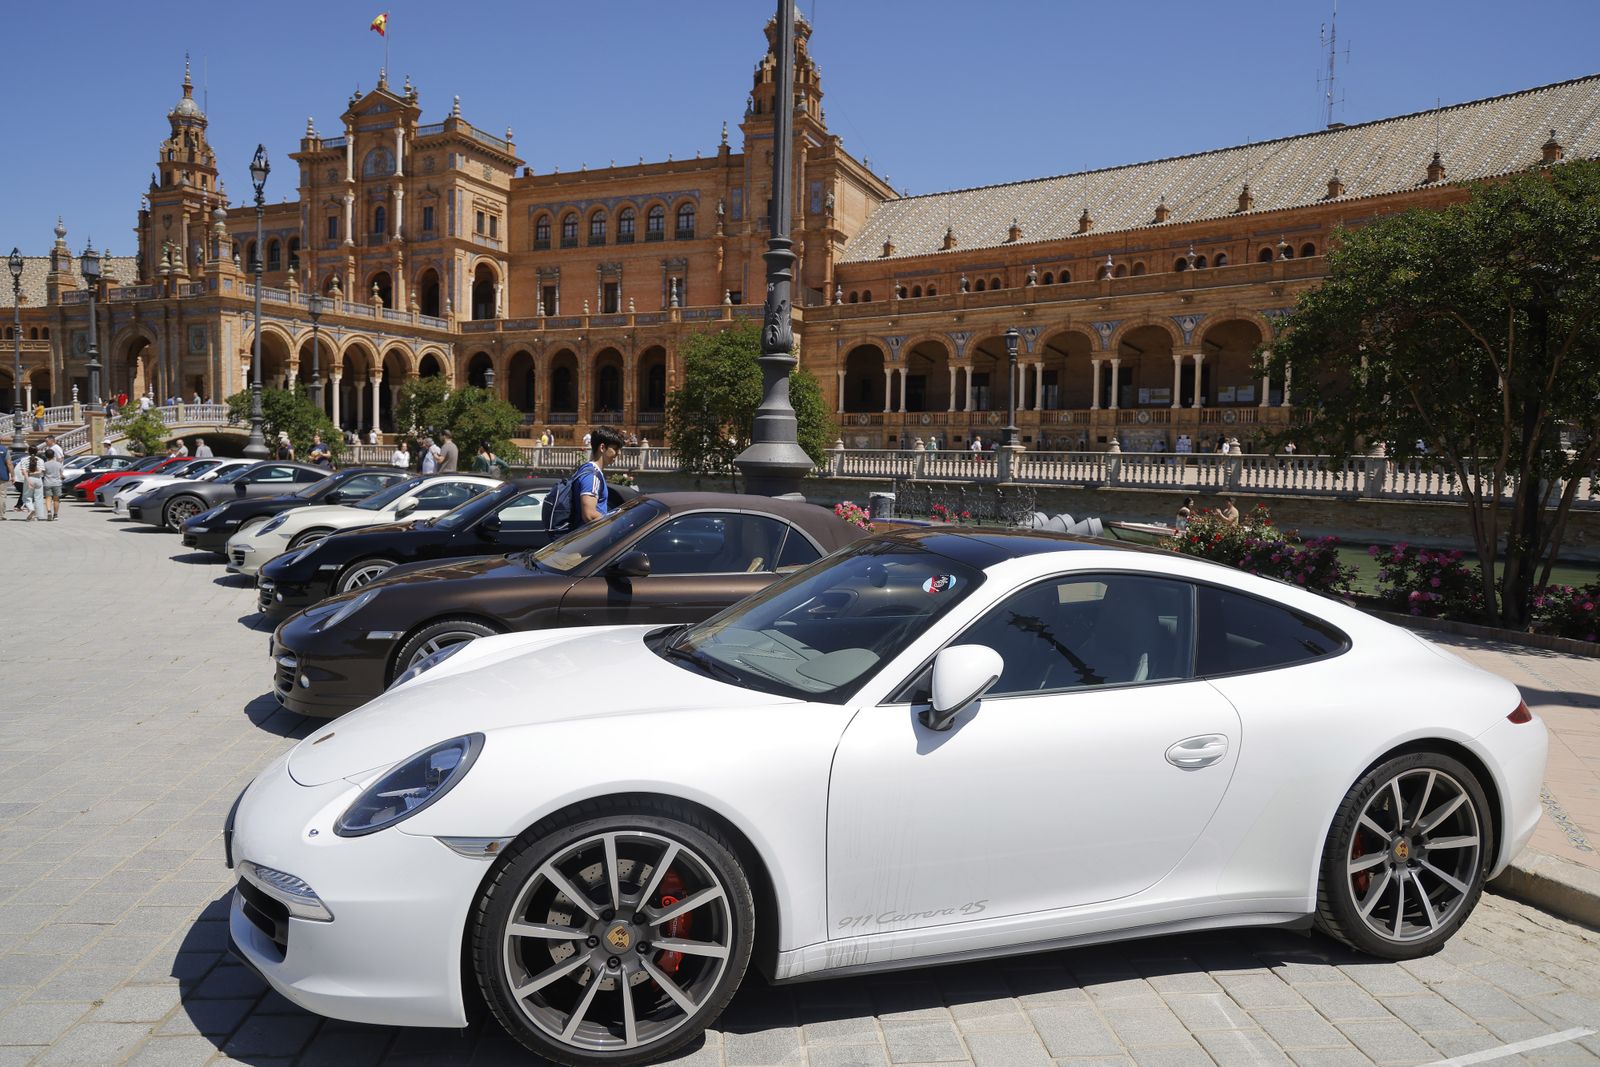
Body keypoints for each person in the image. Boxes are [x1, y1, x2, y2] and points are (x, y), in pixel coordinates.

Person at [573, 426, 624, 526]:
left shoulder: (586, 468)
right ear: (602, 448)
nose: (618, 453)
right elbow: (589, 515)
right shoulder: (592, 476)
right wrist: (615, 524)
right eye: (615, 449)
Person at [20, 449, 43, 520]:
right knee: (38, 498)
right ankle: (38, 515)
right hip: (39, 480)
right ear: (37, 452)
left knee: (26, 497)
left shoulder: (24, 460)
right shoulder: (40, 460)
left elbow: (24, 472)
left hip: (29, 479)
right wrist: (34, 473)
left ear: (28, 451)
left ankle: (31, 509)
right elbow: (40, 471)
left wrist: (28, 481)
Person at [42, 450, 63, 520]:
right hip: (57, 483)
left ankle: (49, 512)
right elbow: (61, 474)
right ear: (54, 455)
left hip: (47, 483)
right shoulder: (59, 464)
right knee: (56, 499)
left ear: (46, 456)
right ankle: (56, 515)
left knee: (48, 498)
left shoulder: (44, 464)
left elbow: (43, 474)